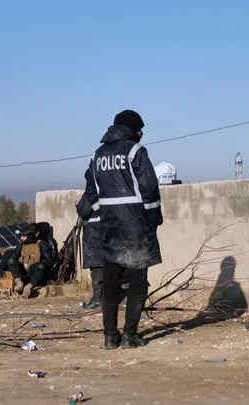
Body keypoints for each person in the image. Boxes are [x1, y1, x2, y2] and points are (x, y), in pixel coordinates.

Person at [79, 110, 163, 350]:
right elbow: (149, 188)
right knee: (138, 283)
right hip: (135, 227)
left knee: (111, 284)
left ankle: (109, 336)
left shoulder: (97, 155)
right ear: (130, 129)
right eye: (139, 128)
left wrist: (104, 211)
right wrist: (153, 218)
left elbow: (91, 191)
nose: (142, 133)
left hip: (109, 229)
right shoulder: (136, 151)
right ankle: (129, 335)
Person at [76, 168, 104, 310]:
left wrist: (79, 205)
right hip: (111, 233)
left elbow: (84, 210)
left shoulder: (92, 192)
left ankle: (98, 299)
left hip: (95, 234)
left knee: (97, 267)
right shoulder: (114, 189)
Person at [9, 223, 55, 298]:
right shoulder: (21, 245)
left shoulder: (42, 244)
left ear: (30, 236)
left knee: (40, 266)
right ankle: (19, 283)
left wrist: (40, 265)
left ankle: (29, 286)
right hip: (24, 272)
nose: (21, 238)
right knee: (11, 261)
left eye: (23, 236)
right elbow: (13, 258)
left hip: (35, 271)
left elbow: (49, 262)